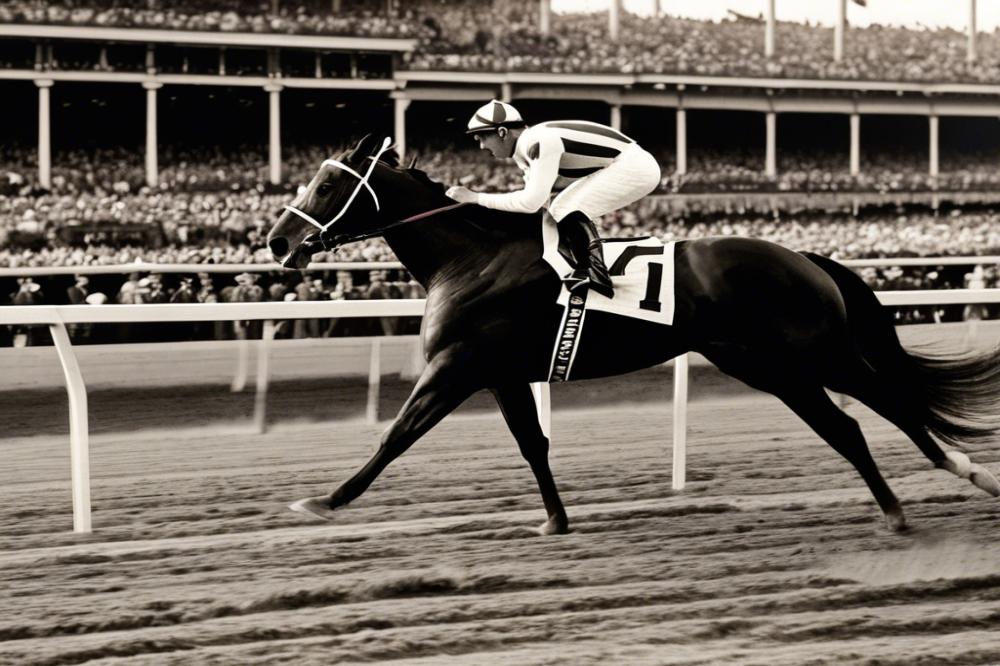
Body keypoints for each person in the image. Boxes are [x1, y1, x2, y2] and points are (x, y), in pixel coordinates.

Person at [446, 100, 662, 298]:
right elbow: (540, 204)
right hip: (624, 163)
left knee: (565, 208)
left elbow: (530, 203)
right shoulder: (525, 148)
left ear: (502, 132)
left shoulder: (536, 141)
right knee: (556, 208)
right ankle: (579, 266)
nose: (482, 146)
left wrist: (475, 197)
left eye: (482, 137)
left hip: (635, 167)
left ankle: (596, 274)